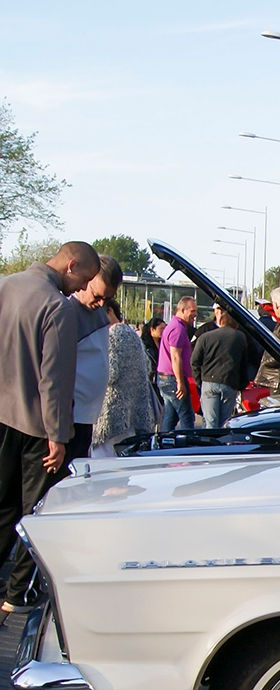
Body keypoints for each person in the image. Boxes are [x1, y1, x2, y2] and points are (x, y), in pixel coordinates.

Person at [0, 240, 101, 614]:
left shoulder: (5, 285)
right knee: (36, 514)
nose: (80, 289)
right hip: (33, 425)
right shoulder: (56, 307)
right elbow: (54, 380)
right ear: (71, 264)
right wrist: (59, 436)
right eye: (84, 279)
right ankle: (16, 595)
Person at [66, 255, 125, 462]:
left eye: (107, 299)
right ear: (85, 280)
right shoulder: (65, 312)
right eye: (97, 296)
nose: (101, 304)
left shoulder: (98, 311)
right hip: (69, 417)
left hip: (87, 416)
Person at [91, 297, 159, 457]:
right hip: (133, 413)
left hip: (112, 415)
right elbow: (147, 367)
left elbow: (109, 373)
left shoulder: (113, 335)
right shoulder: (132, 335)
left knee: (103, 467)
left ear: (109, 311)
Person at [192, 303, 251, 429]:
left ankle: (209, 447)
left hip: (209, 381)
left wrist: (200, 381)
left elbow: (195, 361)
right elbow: (243, 363)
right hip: (229, 382)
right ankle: (222, 445)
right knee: (225, 422)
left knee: (210, 423)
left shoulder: (205, 337)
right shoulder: (240, 337)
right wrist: (241, 384)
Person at [156, 296, 197, 432]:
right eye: (192, 311)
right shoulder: (178, 329)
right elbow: (175, 357)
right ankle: (189, 447)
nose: (195, 314)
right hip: (172, 379)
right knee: (187, 416)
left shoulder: (174, 326)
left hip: (166, 378)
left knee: (171, 416)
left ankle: (163, 446)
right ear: (182, 310)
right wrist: (180, 382)